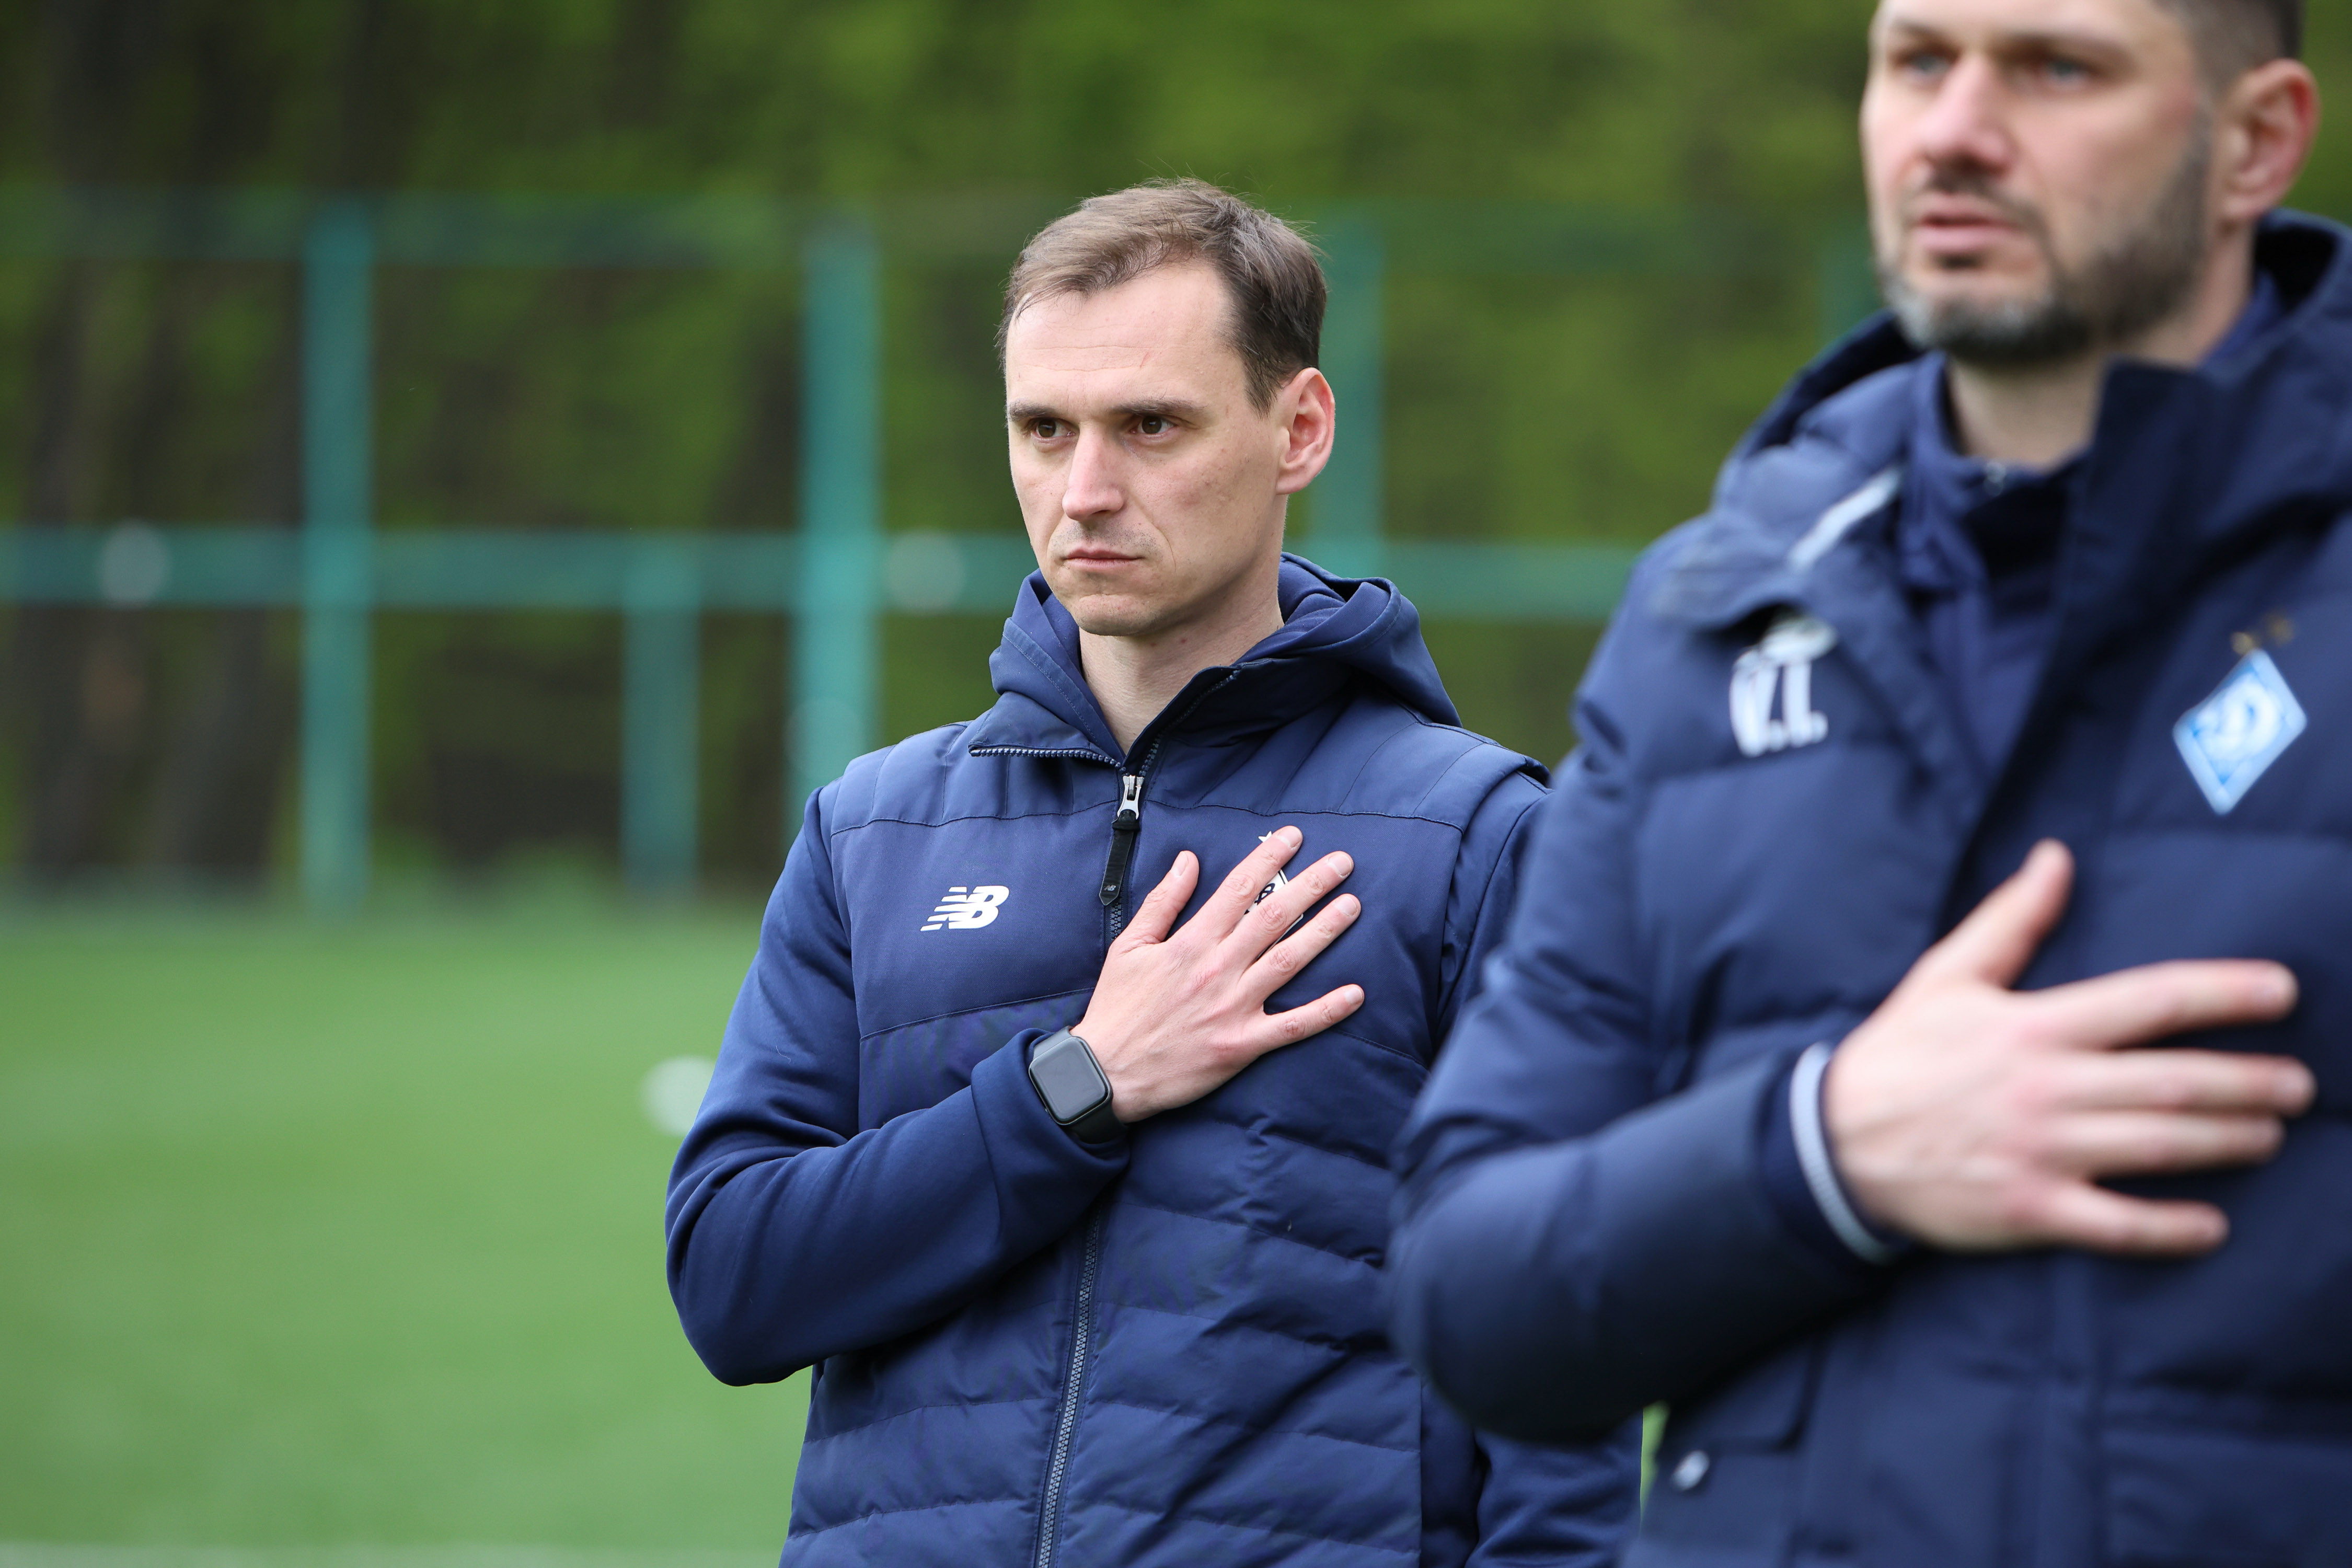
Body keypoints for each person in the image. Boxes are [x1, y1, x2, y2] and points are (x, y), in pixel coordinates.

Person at [1389, 1, 2347, 1563]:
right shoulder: (1713, 613)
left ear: (2254, 141)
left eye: (2055, 67)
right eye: (1917, 61)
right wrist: (1823, 1153)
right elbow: (1469, 1294)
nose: (1954, 131)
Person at [666, 180, 1636, 1568]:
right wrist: (1075, 1088)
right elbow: (733, 1286)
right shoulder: (873, 830)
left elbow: (1560, 1376)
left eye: (1151, 427)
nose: (1085, 493)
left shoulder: (1472, 836)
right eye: (1043, 430)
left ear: (1298, 430)